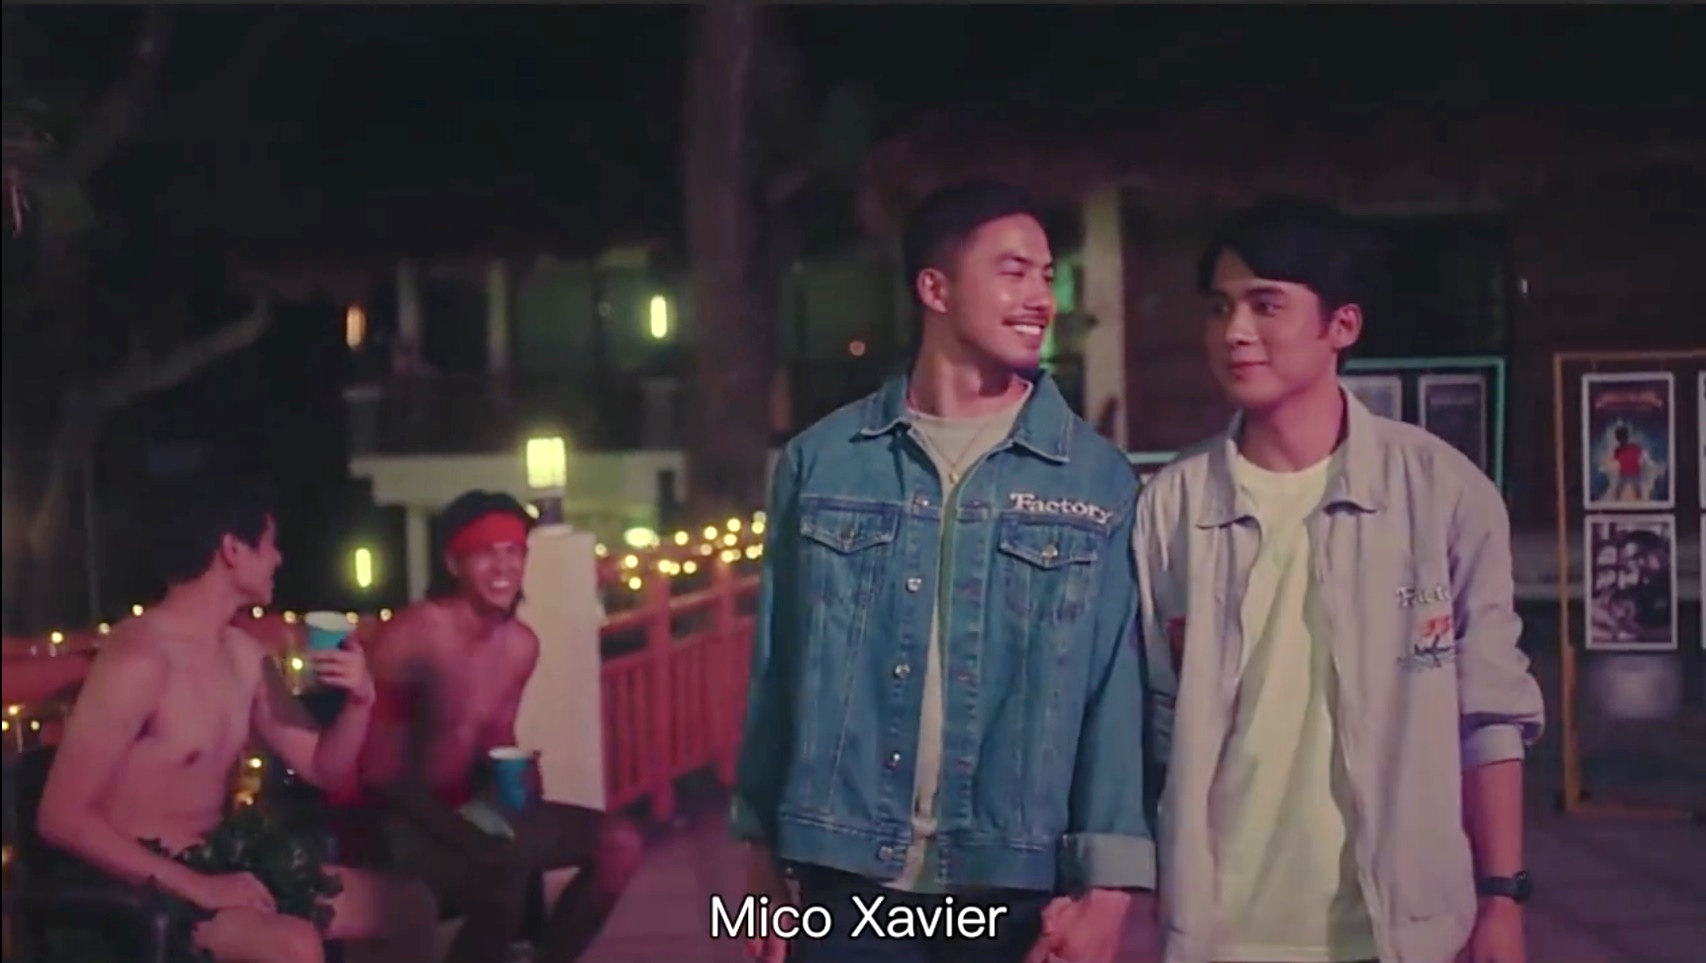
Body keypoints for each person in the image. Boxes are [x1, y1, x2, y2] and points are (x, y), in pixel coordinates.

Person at [733, 180, 1152, 963]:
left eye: (1046, 275)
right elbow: (777, 669)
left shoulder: (1095, 479)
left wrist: (1112, 890)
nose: (1041, 298)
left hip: (1016, 885)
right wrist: (758, 858)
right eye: (1013, 272)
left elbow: (1114, 696)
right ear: (935, 288)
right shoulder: (822, 462)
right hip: (846, 880)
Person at [1133, 199, 1545, 963]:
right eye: (1220, 307)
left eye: (1266, 305)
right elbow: (1154, 722)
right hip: (1220, 933)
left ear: (1342, 325)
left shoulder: (1441, 492)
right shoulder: (1171, 505)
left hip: (1397, 933)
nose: (1235, 331)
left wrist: (1501, 898)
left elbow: (1489, 711)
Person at [37, 476, 437, 963]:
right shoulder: (139, 658)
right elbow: (60, 817)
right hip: (141, 886)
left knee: (410, 907)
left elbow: (323, 767)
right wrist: (198, 887)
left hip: (224, 860)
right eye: (270, 544)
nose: (279, 559)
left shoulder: (243, 655)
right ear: (232, 549)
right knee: (294, 947)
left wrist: (359, 700)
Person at [335, 489, 644, 963]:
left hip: (474, 808)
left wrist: (519, 776)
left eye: (513, 552)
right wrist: (463, 833)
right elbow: (379, 770)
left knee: (620, 844)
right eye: (484, 553)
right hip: (403, 819)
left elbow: (494, 739)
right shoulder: (414, 635)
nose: (503, 568)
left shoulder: (521, 645)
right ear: (453, 564)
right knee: (501, 871)